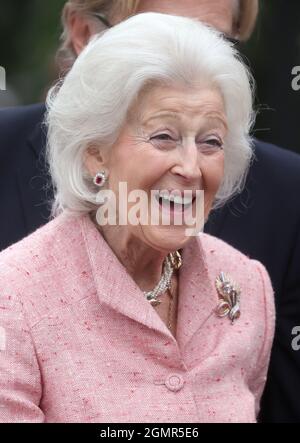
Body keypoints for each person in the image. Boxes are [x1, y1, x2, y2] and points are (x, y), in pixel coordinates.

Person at [0, 0, 299, 422]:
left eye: (211, 142)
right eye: (163, 136)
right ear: (95, 154)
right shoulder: (14, 295)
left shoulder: (245, 287)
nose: (191, 167)